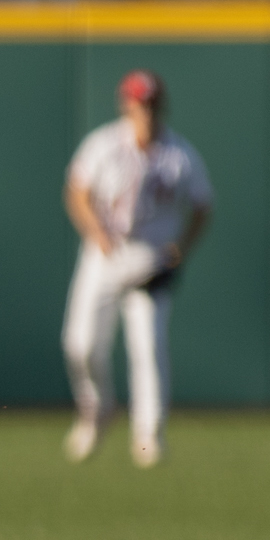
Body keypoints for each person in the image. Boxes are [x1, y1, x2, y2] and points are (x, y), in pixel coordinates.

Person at [61, 69, 213, 467]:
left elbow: (203, 205)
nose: (143, 109)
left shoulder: (179, 154)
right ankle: (97, 411)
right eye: (137, 101)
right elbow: (76, 191)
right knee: (80, 344)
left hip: (150, 260)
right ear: (125, 104)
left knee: (148, 348)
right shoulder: (103, 144)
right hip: (105, 255)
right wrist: (95, 230)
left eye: (149, 102)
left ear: (160, 106)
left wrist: (182, 248)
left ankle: (148, 436)